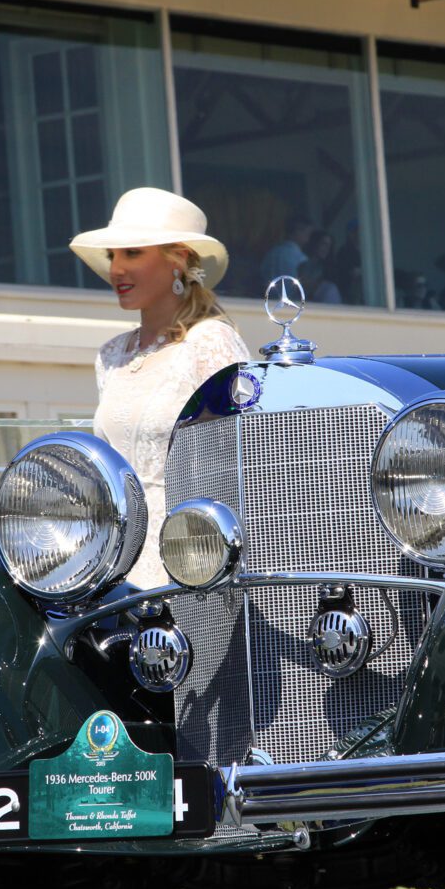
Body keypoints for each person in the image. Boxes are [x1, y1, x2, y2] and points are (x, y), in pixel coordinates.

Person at [71, 187, 250, 589]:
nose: (116, 269)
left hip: (191, 563)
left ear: (180, 260)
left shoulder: (210, 343)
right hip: (113, 565)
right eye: (112, 255)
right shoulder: (112, 354)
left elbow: (240, 464)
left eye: (132, 253)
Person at [259, 214, 313, 285]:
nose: (308, 237)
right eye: (307, 233)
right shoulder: (301, 259)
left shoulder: (271, 254)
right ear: (297, 231)